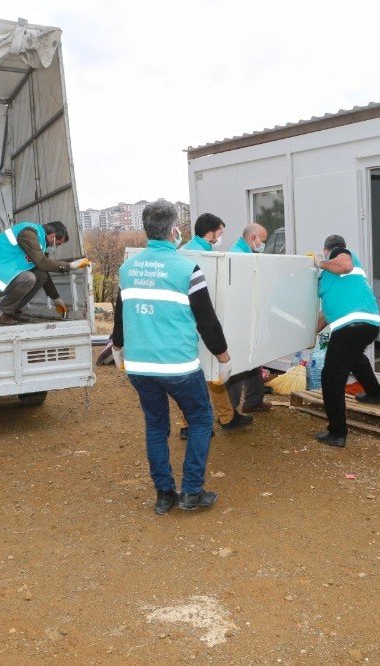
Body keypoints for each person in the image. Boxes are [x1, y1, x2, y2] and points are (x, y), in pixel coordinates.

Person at [111, 200, 233, 514]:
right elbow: (207, 320)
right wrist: (223, 357)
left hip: (139, 366)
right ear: (175, 230)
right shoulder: (187, 269)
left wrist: (118, 346)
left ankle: (164, 495)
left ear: (146, 229)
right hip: (178, 366)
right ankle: (191, 492)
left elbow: (121, 313)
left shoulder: (128, 269)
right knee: (201, 420)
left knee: (155, 427)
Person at [177, 213, 253, 436]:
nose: (220, 237)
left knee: (197, 374)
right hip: (201, 324)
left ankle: (217, 418)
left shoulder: (182, 251)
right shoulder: (206, 256)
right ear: (209, 233)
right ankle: (200, 422)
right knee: (207, 373)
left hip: (183, 324)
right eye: (219, 233)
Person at [313, 234, 380, 448]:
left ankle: (337, 433)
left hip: (351, 327)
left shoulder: (338, 254)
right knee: (354, 358)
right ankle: (375, 393)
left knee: (331, 377)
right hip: (367, 325)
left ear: (326, 249)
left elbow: (343, 265)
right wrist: (310, 335)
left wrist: (320, 262)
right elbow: (327, 314)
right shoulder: (334, 280)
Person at [0, 220, 89, 324]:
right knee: (28, 278)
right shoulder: (28, 233)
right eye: (57, 244)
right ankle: (2, 313)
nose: (56, 247)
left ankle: (12, 311)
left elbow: (42, 269)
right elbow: (43, 263)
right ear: (52, 237)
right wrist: (70, 265)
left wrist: (55, 297)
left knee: (40, 276)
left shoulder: (39, 242)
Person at [226, 223, 272, 414]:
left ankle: (253, 400)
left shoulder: (246, 254)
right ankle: (230, 411)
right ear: (254, 238)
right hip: (239, 320)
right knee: (236, 364)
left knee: (254, 359)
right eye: (263, 240)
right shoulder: (237, 256)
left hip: (249, 318)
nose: (264, 244)